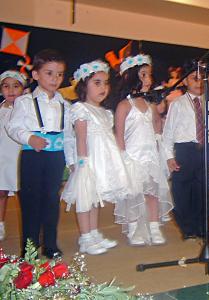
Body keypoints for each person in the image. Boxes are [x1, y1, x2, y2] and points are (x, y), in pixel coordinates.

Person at [7, 49, 72, 258]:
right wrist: (29, 138)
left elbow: (69, 135)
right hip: (33, 156)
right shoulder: (24, 102)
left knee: (52, 200)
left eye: (60, 74)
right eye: (49, 73)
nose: (55, 79)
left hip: (56, 157)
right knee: (30, 201)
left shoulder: (66, 104)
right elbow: (13, 127)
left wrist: (71, 160)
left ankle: (51, 244)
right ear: (35, 75)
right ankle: (30, 248)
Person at [62, 60, 131, 255]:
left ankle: (94, 233)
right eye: (97, 83)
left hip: (102, 164)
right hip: (89, 162)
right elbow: (81, 139)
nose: (103, 87)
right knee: (85, 199)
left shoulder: (105, 113)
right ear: (84, 86)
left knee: (96, 199)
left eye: (106, 83)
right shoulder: (80, 109)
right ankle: (85, 238)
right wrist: (82, 164)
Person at [114, 54, 173, 246]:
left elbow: (156, 123)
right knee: (133, 194)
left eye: (149, 75)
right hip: (133, 157)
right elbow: (119, 133)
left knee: (152, 192)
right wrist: (122, 156)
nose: (148, 80)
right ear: (131, 78)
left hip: (150, 156)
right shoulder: (124, 105)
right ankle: (134, 229)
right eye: (143, 75)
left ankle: (154, 227)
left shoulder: (150, 104)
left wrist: (158, 139)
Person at [162, 60, 209, 240]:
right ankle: (187, 227)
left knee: (202, 191)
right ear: (185, 81)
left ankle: (203, 226)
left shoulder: (208, 105)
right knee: (183, 190)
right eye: (194, 78)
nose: (199, 81)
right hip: (184, 150)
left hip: (203, 151)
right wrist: (169, 157)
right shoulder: (177, 104)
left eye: (202, 78)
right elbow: (168, 132)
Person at [0, 70, 26, 240]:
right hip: (3, 157)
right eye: (6, 86)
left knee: (22, 193)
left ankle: (29, 226)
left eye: (15, 86)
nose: (11, 90)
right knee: (1, 192)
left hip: (20, 156)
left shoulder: (26, 110)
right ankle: (0, 224)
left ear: (23, 89)